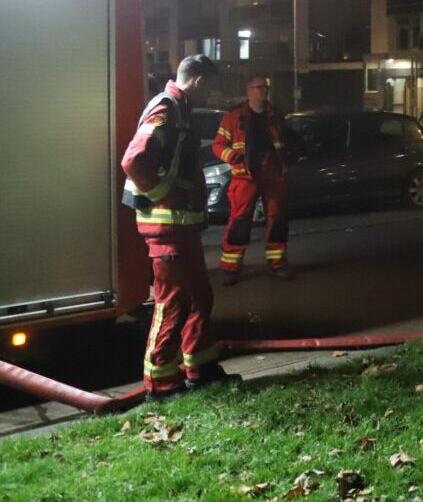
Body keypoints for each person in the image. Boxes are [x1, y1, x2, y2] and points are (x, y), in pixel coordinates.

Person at [121, 55, 237, 400]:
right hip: (166, 228)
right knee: (171, 304)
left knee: (200, 296)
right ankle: (159, 385)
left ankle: (199, 370)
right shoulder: (167, 109)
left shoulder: (178, 109)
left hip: (181, 228)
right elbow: (133, 160)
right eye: (210, 87)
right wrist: (165, 195)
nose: (211, 95)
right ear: (199, 81)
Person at [212, 75, 294, 285]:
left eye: (266, 88)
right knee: (240, 221)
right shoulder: (233, 117)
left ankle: (278, 262)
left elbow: (285, 140)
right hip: (245, 176)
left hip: (273, 173)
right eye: (260, 88)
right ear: (249, 91)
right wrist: (231, 156)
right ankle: (230, 267)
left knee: (278, 220)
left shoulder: (275, 114)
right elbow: (218, 145)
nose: (264, 92)